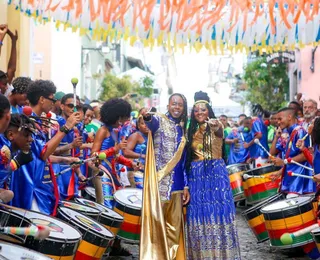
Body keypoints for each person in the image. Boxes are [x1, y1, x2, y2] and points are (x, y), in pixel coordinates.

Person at [11, 80, 81, 215]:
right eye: (52, 99)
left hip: (37, 184)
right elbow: (43, 153)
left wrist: (66, 160)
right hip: (29, 187)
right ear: (42, 99)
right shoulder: (26, 121)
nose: (54, 102)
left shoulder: (35, 121)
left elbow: (41, 156)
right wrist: (66, 127)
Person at [185, 91, 240, 259]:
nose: (200, 113)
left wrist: (215, 125)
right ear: (193, 114)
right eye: (196, 110)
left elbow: (218, 130)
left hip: (215, 174)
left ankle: (221, 255)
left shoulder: (216, 126)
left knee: (218, 212)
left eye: (203, 109)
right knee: (198, 213)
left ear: (209, 111)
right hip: (196, 176)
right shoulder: (190, 131)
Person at [140, 93, 190, 260]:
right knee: (156, 227)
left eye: (180, 105)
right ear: (168, 105)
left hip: (177, 185)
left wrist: (186, 185)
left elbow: (183, 161)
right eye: (174, 104)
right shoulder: (159, 120)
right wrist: (147, 117)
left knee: (174, 230)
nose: (176, 107)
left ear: (183, 108)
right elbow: (151, 122)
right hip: (159, 184)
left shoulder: (183, 129)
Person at [270, 108, 315, 197]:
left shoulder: (300, 131)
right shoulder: (291, 132)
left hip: (300, 183)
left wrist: (283, 162)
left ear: (289, 117)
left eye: (280, 119)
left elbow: (305, 155)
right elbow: (291, 159)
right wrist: (280, 172)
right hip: (293, 180)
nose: (278, 122)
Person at [54, 93, 86, 200]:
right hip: (57, 172)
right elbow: (49, 152)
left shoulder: (78, 126)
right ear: (62, 106)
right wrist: (71, 145)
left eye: (77, 107)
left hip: (71, 173)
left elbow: (75, 155)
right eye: (70, 106)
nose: (74, 109)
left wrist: (80, 174)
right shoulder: (56, 124)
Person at [123, 116, 149, 188]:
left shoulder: (153, 136)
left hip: (148, 172)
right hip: (136, 171)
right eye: (143, 123)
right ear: (138, 125)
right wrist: (143, 156)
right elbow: (126, 152)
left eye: (147, 123)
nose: (146, 125)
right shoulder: (136, 136)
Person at [0, 25, 17, 96]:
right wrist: (1, 38)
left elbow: (11, 69)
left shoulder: (5, 93)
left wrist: (13, 41)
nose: (7, 87)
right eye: (4, 84)